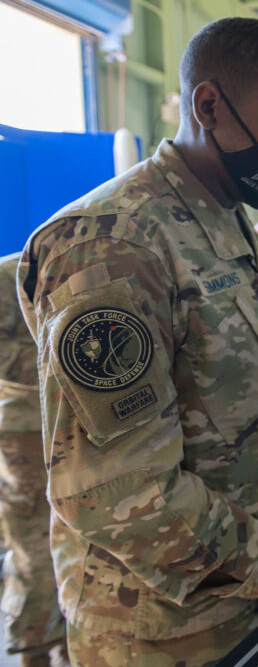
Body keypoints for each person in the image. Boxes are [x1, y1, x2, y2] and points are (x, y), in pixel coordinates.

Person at [16, 17, 258, 666]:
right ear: (208, 106)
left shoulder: (229, 224)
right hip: (167, 633)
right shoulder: (115, 243)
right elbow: (114, 491)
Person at [0, 255, 68, 667]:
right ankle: (32, 651)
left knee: (71, 538)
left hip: (66, 423)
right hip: (24, 428)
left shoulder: (59, 265)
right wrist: (54, 361)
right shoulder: (10, 275)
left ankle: (63, 647)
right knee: (34, 544)